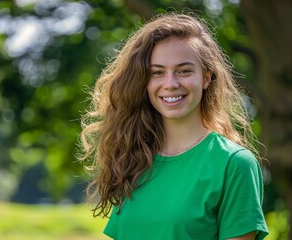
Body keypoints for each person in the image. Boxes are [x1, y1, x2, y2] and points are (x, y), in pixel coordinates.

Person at [79, 12, 269, 240]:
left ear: (207, 77)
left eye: (184, 71)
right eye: (157, 72)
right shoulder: (135, 160)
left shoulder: (234, 164)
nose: (170, 84)